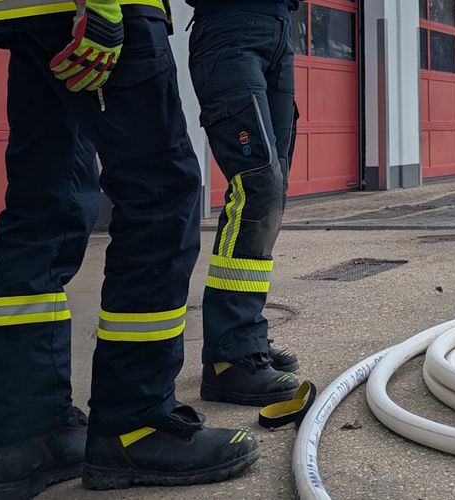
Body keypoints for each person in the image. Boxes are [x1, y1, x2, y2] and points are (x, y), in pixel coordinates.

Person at [0, 0, 258, 496]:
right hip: (96, 10)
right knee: (161, 192)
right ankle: (135, 422)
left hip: (24, 13)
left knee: (45, 204)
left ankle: (25, 435)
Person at [185, 0, 304, 407]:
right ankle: (228, 359)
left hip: (279, 29)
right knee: (258, 186)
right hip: (229, 27)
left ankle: (241, 336)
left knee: (274, 189)